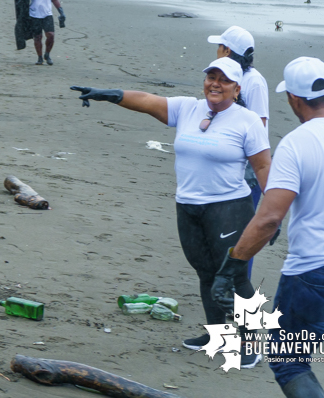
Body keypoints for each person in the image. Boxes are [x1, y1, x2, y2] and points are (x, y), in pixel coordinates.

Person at [71, 57, 271, 369]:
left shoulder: (247, 121)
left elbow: (262, 167)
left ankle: (252, 342)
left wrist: (270, 215)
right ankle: (217, 335)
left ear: (236, 88)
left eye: (223, 80)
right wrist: (110, 94)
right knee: (205, 271)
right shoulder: (188, 109)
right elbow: (148, 101)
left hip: (229, 207)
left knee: (232, 273)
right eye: (210, 77)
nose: (215, 84)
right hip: (188, 206)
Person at [210, 57, 324, 397]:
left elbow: (269, 218)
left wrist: (233, 265)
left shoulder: (298, 143)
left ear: (292, 99)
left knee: (288, 357)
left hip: (316, 273)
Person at [207, 27, 269, 225]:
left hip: (247, 170)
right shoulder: (221, 80)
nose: (216, 51)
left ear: (226, 51)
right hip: (223, 165)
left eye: (219, 47)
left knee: (239, 234)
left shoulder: (253, 81)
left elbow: (260, 125)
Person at [23, 0, 65, 65]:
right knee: (37, 37)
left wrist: (61, 12)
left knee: (51, 35)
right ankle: (40, 57)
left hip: (47, 15)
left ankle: (47, 54)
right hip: (34, 15)